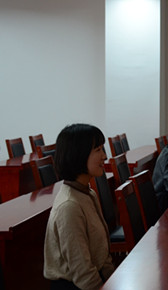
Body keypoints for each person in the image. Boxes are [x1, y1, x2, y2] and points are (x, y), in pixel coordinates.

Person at [44, 124, 115, 290]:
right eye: (98, 150)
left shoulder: (88, 193)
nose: (104, 156)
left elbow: (102, 255)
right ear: (78, 155)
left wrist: (114, 281)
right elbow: (83, 274)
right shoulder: (69, 206)